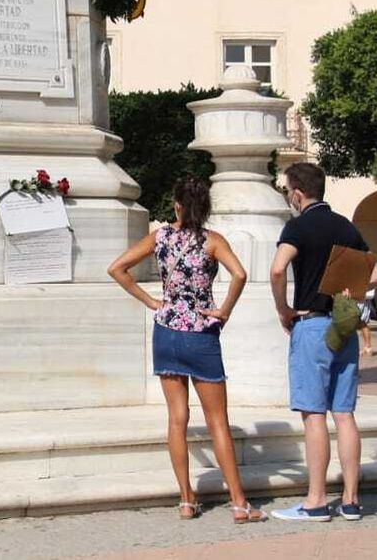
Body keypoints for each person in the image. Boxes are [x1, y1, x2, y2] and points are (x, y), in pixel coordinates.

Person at [107, 178, 266, 524]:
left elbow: (116, 268)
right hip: (200, 334)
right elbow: (239, 274)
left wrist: (152, 300)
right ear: (204, 206)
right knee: (217, 422)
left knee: (177, 419)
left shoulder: (160, 237)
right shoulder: (212, 241)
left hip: (166, 331)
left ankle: (186, 499)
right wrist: (223, 310)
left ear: (177, 204)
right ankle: (239, 504)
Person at [269, 162, 371, 523]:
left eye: (287, 192)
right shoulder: (346, 226)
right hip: (344, 324)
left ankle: (315, 501)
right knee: (344, 413)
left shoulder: (298, 226)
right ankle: (351, 500)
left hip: (311, 324)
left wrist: (283, 309)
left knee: (314, 415)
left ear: (297, 193)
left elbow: (279, 268)